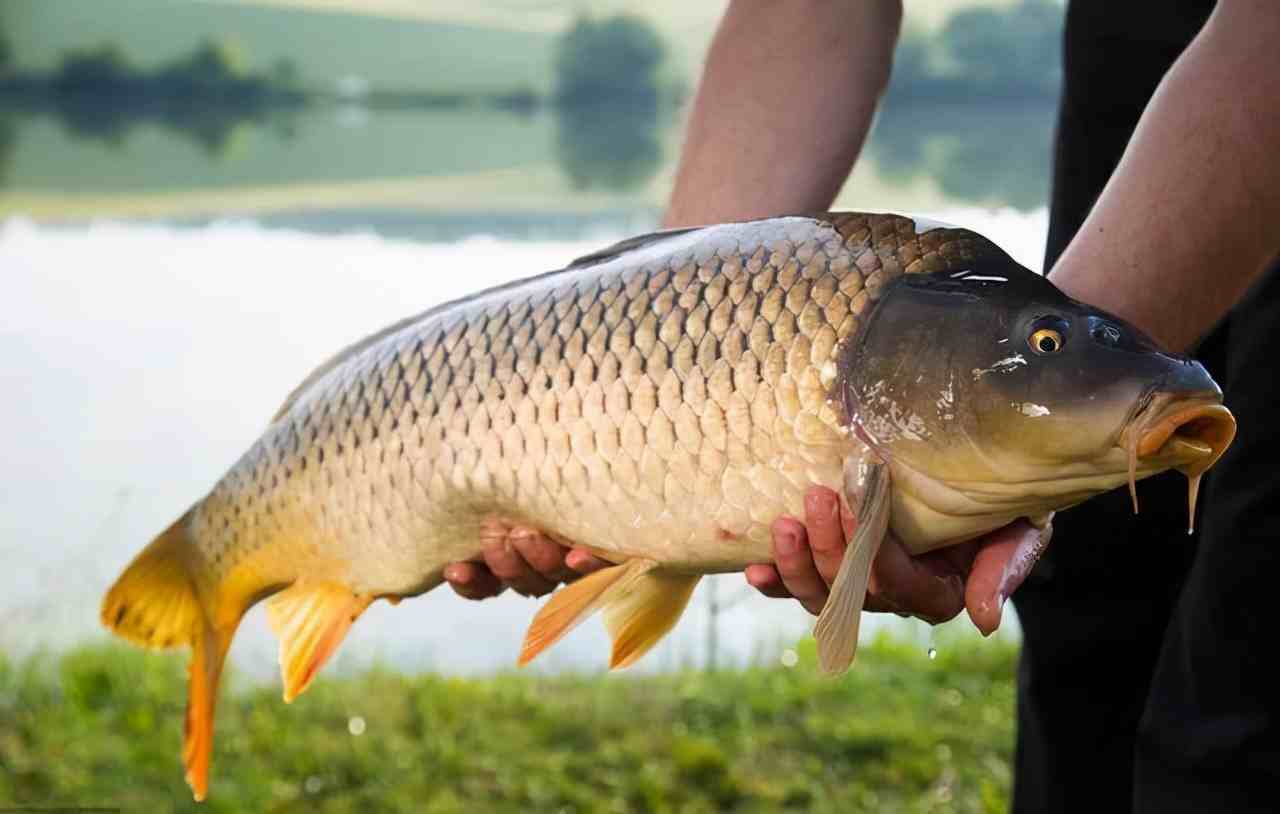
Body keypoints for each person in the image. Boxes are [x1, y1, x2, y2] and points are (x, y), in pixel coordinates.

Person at [444, 1, 1280, 810]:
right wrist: (665, 367)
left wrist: (1085, 384)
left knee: (1245, 674)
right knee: (1088, 612)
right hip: (1132, 41)